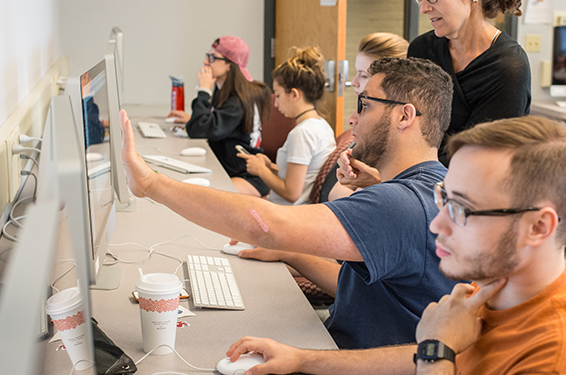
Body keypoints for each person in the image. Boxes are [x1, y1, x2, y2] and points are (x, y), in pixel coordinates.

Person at [222, 116, 566, 375]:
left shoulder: (557, 363)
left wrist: (436, 349)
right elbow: (422, 356)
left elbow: (436, 353)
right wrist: (302, 359)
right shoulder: (496, 286)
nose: (437, 225)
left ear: (538, 227)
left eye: (462, 209)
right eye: (443, 199)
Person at [120, 57, 456, 349]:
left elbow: (266, 226)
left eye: (364, 105)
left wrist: (151, 184)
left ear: (404, 116)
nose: (353, 119)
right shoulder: (436, 188)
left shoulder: (400, 203)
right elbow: (366, 293)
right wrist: (291, 253)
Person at [407, 0, 531, 165]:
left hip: (471, 190)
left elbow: (479, 156)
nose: (424, 8)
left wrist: (402, 175)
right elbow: (407, 128)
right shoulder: (422, 49)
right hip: (415, 179)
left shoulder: (508, 67)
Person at [167, 35, 271, 197]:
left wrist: (203, 91)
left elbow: (199, 131)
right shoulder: (224, 92)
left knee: (201, 198)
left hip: (246, 176)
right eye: (207, 56)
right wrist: (193, 120)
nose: (206, 62)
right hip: (228, 167)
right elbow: (211, 124)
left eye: (213, 58)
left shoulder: (237, 101)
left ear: (230, 65)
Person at [237, 46, 336, 205]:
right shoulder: (322, 125)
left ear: (294, 94)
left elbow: (292, 193)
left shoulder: (303, 133)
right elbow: (303, 176)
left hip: (286, 213)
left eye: (278, 95)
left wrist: (261, 171)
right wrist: (270, 167)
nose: (275, 103)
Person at [324, 32, 409, 202]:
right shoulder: (366, 134)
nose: (354, 82)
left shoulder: (401, 141)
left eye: (363, 75)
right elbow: (335, 194)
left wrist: (372, 184)